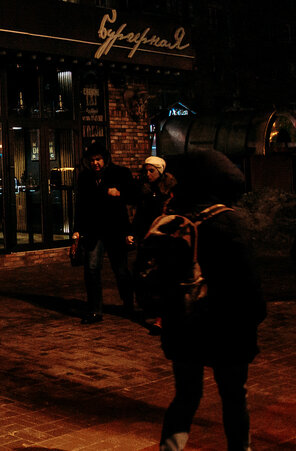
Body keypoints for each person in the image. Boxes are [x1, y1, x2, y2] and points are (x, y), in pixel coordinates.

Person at [156, 150, 266, 451]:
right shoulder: (230, 221)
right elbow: (248, 281)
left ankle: (170, 448)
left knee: (186, 395)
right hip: (227, 328)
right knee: (234, 396)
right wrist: (255, 316)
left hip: (183, 324)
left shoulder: (173, 218)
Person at [72, 142, 136, 324]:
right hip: (94, 230)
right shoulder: (85, 177)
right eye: (92, 160)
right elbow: (81, 205)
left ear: (105, 159)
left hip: (115, 228)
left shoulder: (120, 173)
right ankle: (95, 309)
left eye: (98, 159)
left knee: (120, 269)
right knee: (91, 269)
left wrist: (119, 193)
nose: (95, 163)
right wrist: (77, 230)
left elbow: (133, 195)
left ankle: (128, 303)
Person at [134, 155, 176, 332]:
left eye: (152, 171)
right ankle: (153, 309)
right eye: (146, 171)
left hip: (164, 237)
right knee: (145, 274)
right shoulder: (145, 189)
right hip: (147, 236)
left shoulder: (169, 190)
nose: (148, 174)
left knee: (164, 277)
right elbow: (140, 213)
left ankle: (162, 318)